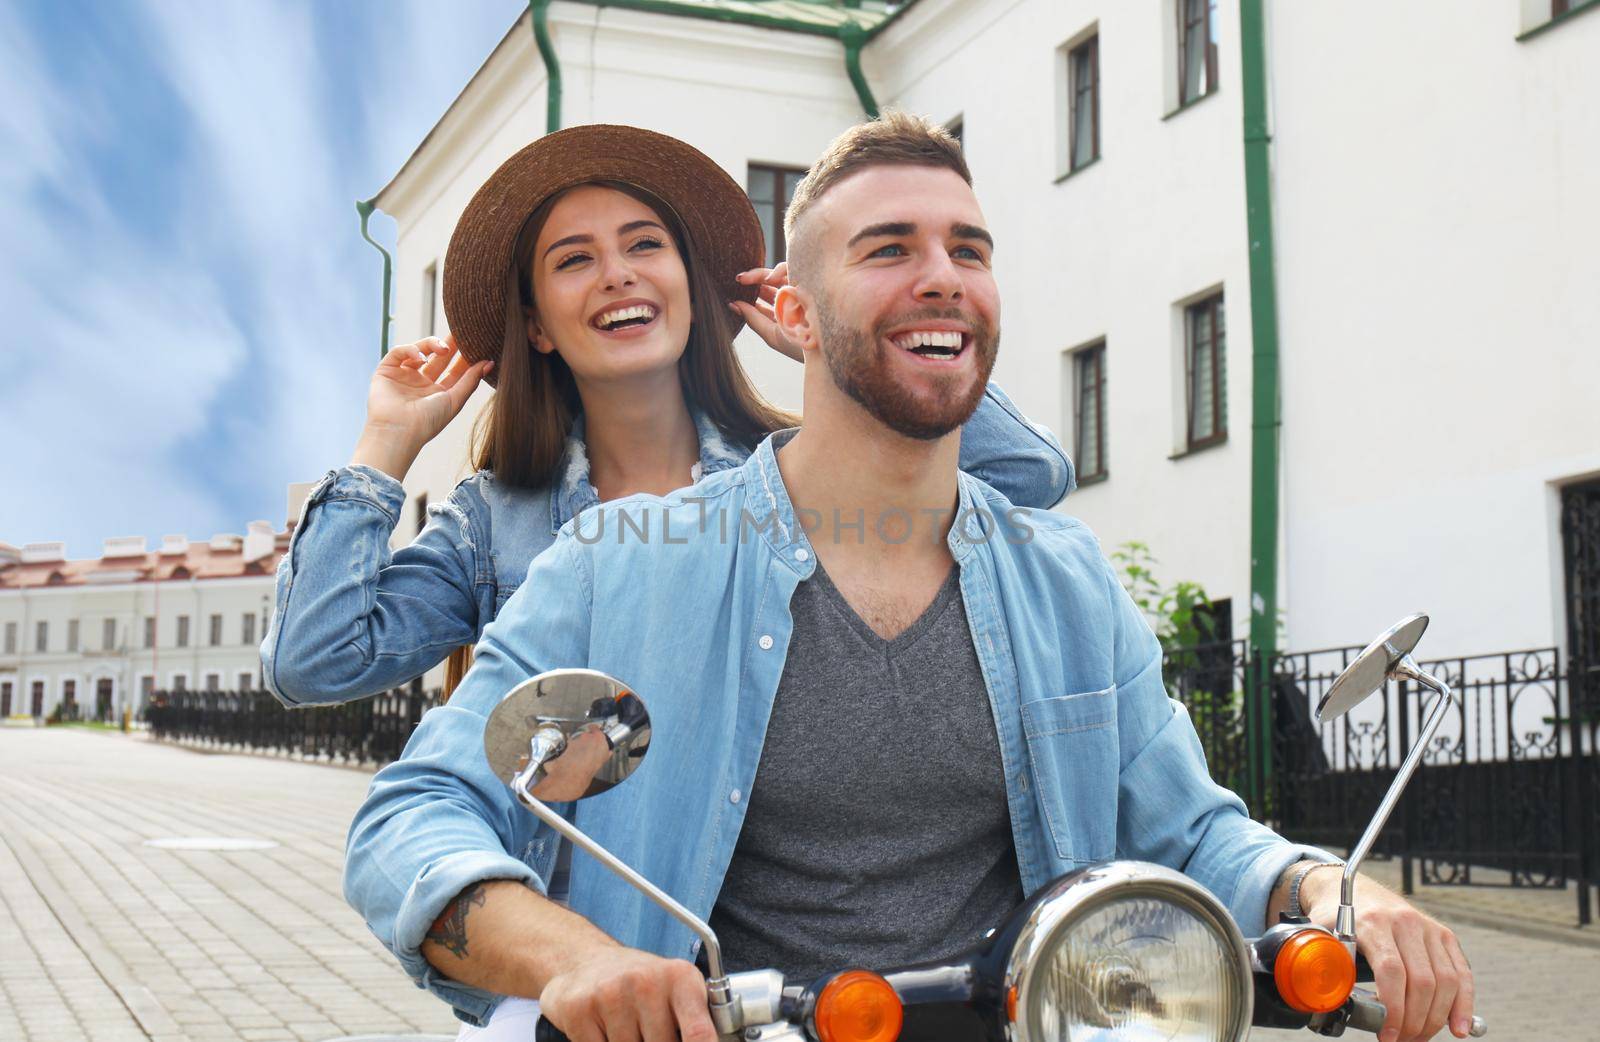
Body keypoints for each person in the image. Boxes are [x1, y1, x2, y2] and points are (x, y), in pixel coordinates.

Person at [344, 114, 1476, 1042]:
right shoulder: (617, 564)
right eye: (888, 249)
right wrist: (580, 960)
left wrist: (1334, 891)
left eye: (967, 251)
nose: (941, 280)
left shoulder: (1065, 579)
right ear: (790, 310)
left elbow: (1187, 836)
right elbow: (414, 816)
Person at [260, 124, 1071, 709]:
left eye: (645, 245)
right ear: (537, 325)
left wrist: (829, 336)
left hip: (763, 915)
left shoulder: (794, 470)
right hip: (569, 919)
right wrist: (385, 444)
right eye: (574, 259)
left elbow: (1024, 479)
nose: (617, 274)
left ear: (690, 282)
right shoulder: (493, 524)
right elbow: (314, 662)